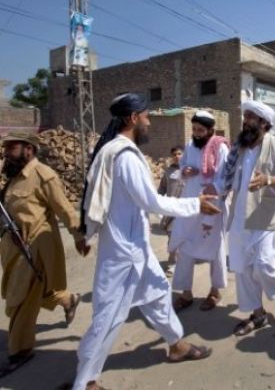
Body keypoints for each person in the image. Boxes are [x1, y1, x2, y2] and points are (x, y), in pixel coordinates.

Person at [73, 94, 220, 390]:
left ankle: (176, 344)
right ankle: (85, 381)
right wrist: (195, 205)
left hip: (135, 246)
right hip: (125, 253)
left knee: (157, 293)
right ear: (132, 118)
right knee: (109, 316)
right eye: (146, 116)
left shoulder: (114, 149)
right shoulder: (125, 156)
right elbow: (151, 202)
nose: (149, 121)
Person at [0, 132, 84, 380]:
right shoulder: (15, 177)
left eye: (12, 147)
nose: (6, 152)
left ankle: (20, 350)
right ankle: (68, 300)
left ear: (28, 149)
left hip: (34, 248)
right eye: (5, 147)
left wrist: (79, 236)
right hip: (12, 248)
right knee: (32, 292)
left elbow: (64, 208)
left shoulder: (43, 175)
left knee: (21, 299)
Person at [213, 100, 275, 336]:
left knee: (265, 265)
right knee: (243, 269)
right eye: (245, 116)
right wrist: (214, 193)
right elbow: (223, 178)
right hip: (240, 218)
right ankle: (257, 315)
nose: (245, 121)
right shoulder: (237, 148)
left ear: (263, 122)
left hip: (267, 217)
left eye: (250, 116)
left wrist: (269, 180)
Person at [170, 110, 229, 312]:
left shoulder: (220, 148)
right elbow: (183, 165)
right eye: (194, 129)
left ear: (210, 129)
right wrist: (185, 171)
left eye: (200, 130)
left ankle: (214, 292)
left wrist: (214, 196)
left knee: (215, 248)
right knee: (185, 245)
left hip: (212, 203)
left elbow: (224, 178)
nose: (196, 133)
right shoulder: (189, 145)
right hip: (190, 202)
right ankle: (186, 293)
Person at [157, 145, 185, 277]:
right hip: (172, 210)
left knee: (185, 239)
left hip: (186, 210)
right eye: (174, 154)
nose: (177, 156)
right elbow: (162, 188)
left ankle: (184, 262)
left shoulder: (190, 170)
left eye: (179, 154)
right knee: (173, 238)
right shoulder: (168, 171)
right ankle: (172, 264)